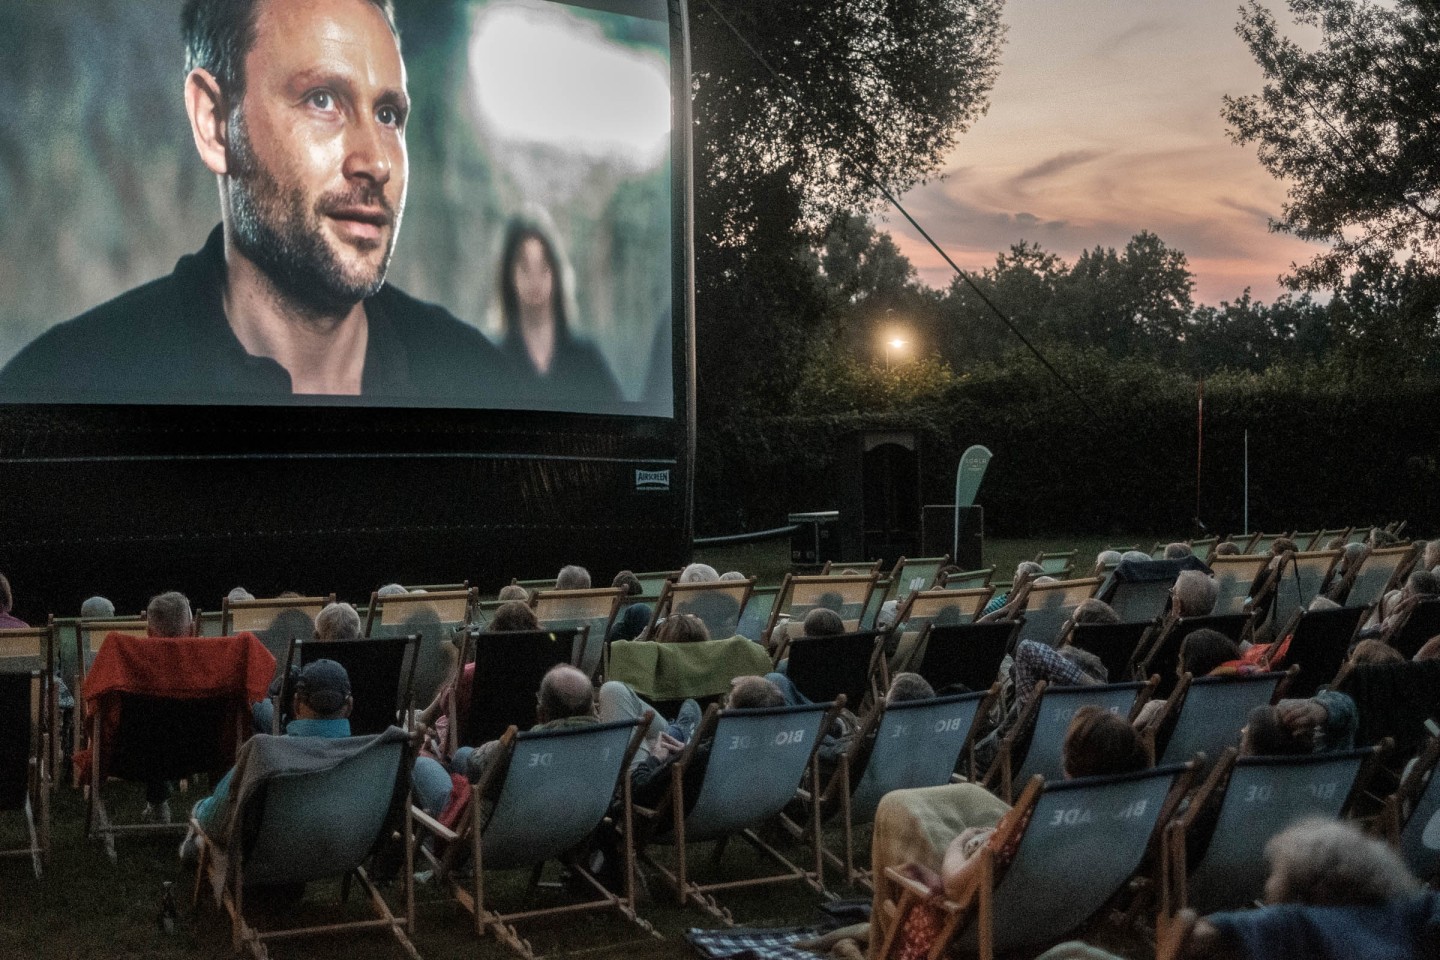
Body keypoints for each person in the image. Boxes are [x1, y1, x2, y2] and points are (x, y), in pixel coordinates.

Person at [0, 0, 515, 404]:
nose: (376, 162)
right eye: (322, 100)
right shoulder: (64, 386)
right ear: (216, 124)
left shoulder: (479, 380)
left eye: (387, 115)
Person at [183, 658, 355, 859]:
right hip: (335, 853)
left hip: (267, 858)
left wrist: (200, 809)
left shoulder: (265, 752)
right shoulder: (371, 754)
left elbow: (215, 820)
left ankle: (194, 848)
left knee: (202, 811)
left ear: (297, 704)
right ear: (349, 706)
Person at [493, 215, 622, 411]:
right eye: (525, 267)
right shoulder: (495, 363)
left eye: (543, 266)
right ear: (509, 275)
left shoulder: (587, 361)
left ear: (556, 272)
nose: (534, 279)